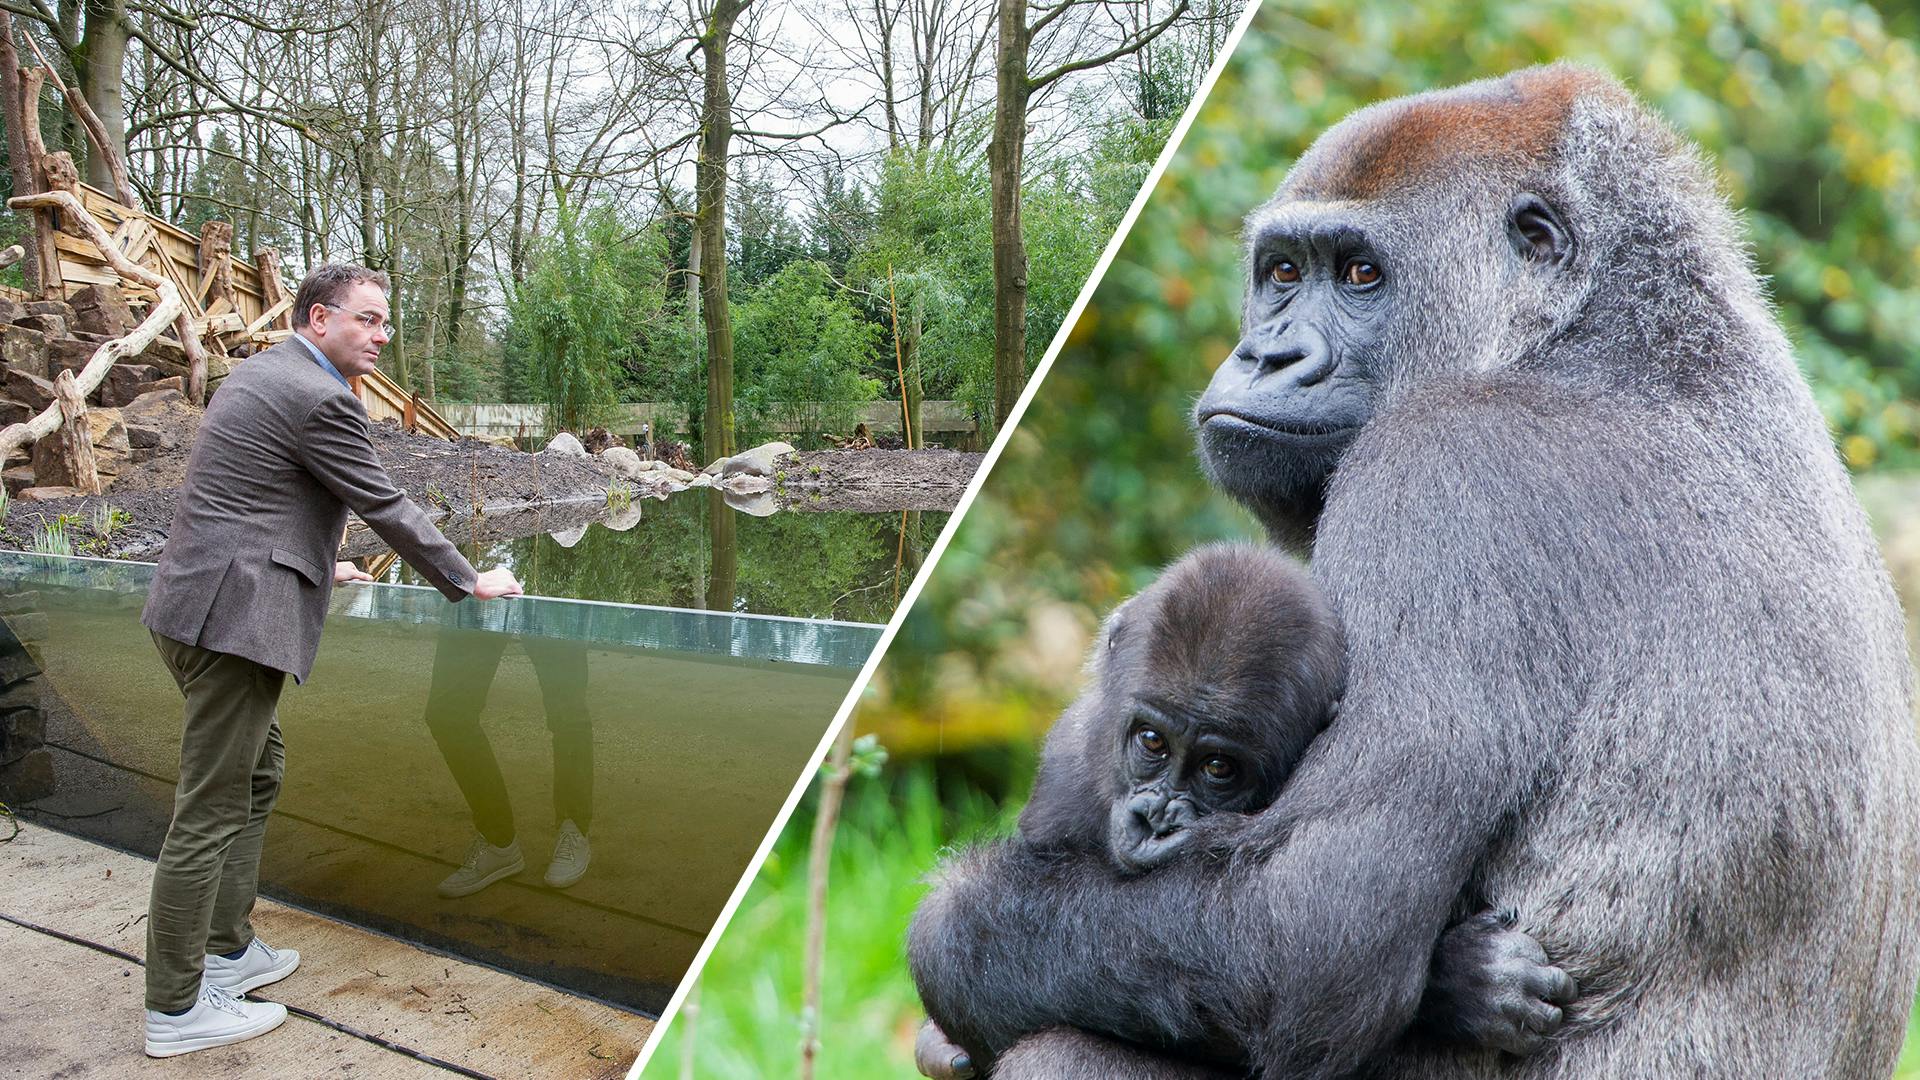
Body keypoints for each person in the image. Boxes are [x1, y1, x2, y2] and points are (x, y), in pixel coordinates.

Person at [137, 263, 524, 1057]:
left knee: (258, 770)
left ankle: (229, 947)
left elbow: (251, 492)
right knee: (208, 809)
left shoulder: (265, 374)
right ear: (318, 318)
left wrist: (322, 558)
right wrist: (467, 577)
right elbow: (386, 503)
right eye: (368, 320)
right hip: (233, 623)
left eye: (387, 322)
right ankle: (175, 1008)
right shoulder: (318, 398)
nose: (382, 336)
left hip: (198, 605)